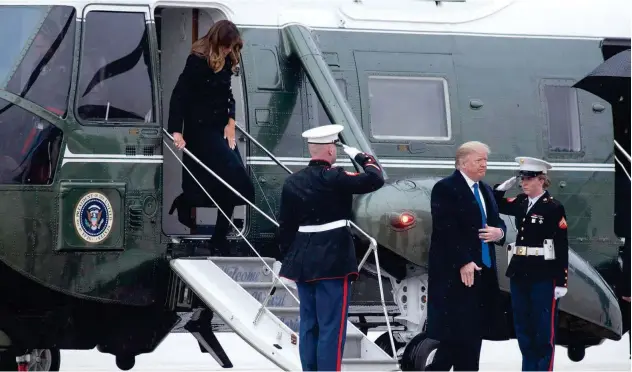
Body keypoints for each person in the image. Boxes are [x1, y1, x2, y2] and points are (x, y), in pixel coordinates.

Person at [275, 124, 385, 371]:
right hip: (333, 259)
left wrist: (288, 256)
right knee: (331, 327)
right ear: (329, 151)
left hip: (303, 260)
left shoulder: (292, 181)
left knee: (309, 325)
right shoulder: (336, 177)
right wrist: (361, 156)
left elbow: (286, 226)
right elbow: (376, 178)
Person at [167, 20, 254, 252]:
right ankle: (187, 202)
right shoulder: (197, 61)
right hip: (200, 130)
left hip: (220, 129)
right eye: (226, 46)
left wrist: (231, 124)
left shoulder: (227, 60)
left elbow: (229, 96)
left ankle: (217, 237)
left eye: (231, 47)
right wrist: (176, 130)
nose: (228, 51)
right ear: (217, 42)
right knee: (232, 181)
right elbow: (179, 95)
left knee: (236, 186)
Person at [426, 141, 508, 371]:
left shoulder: (485, 189)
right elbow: (445, 228)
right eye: (479, 160)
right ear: (463, 163)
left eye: (485, 160)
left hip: (483, 270)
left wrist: (499, 232)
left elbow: (497, 220)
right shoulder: (446, 188)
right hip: (457, 273)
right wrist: (463, 260)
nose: (484, 165)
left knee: (472, 335)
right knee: (457, 335)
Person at [492, 156, 569, 371]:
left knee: (543, 330)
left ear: (541, 180)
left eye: (528, 178)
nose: (523, 183)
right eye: (521, 178)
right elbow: (494, 204)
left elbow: (561, 245)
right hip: (519, 272)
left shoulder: (553, 207)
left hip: (544, 274)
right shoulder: (520, 202)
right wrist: (499, 188)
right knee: (523, 327)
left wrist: (562, 281)